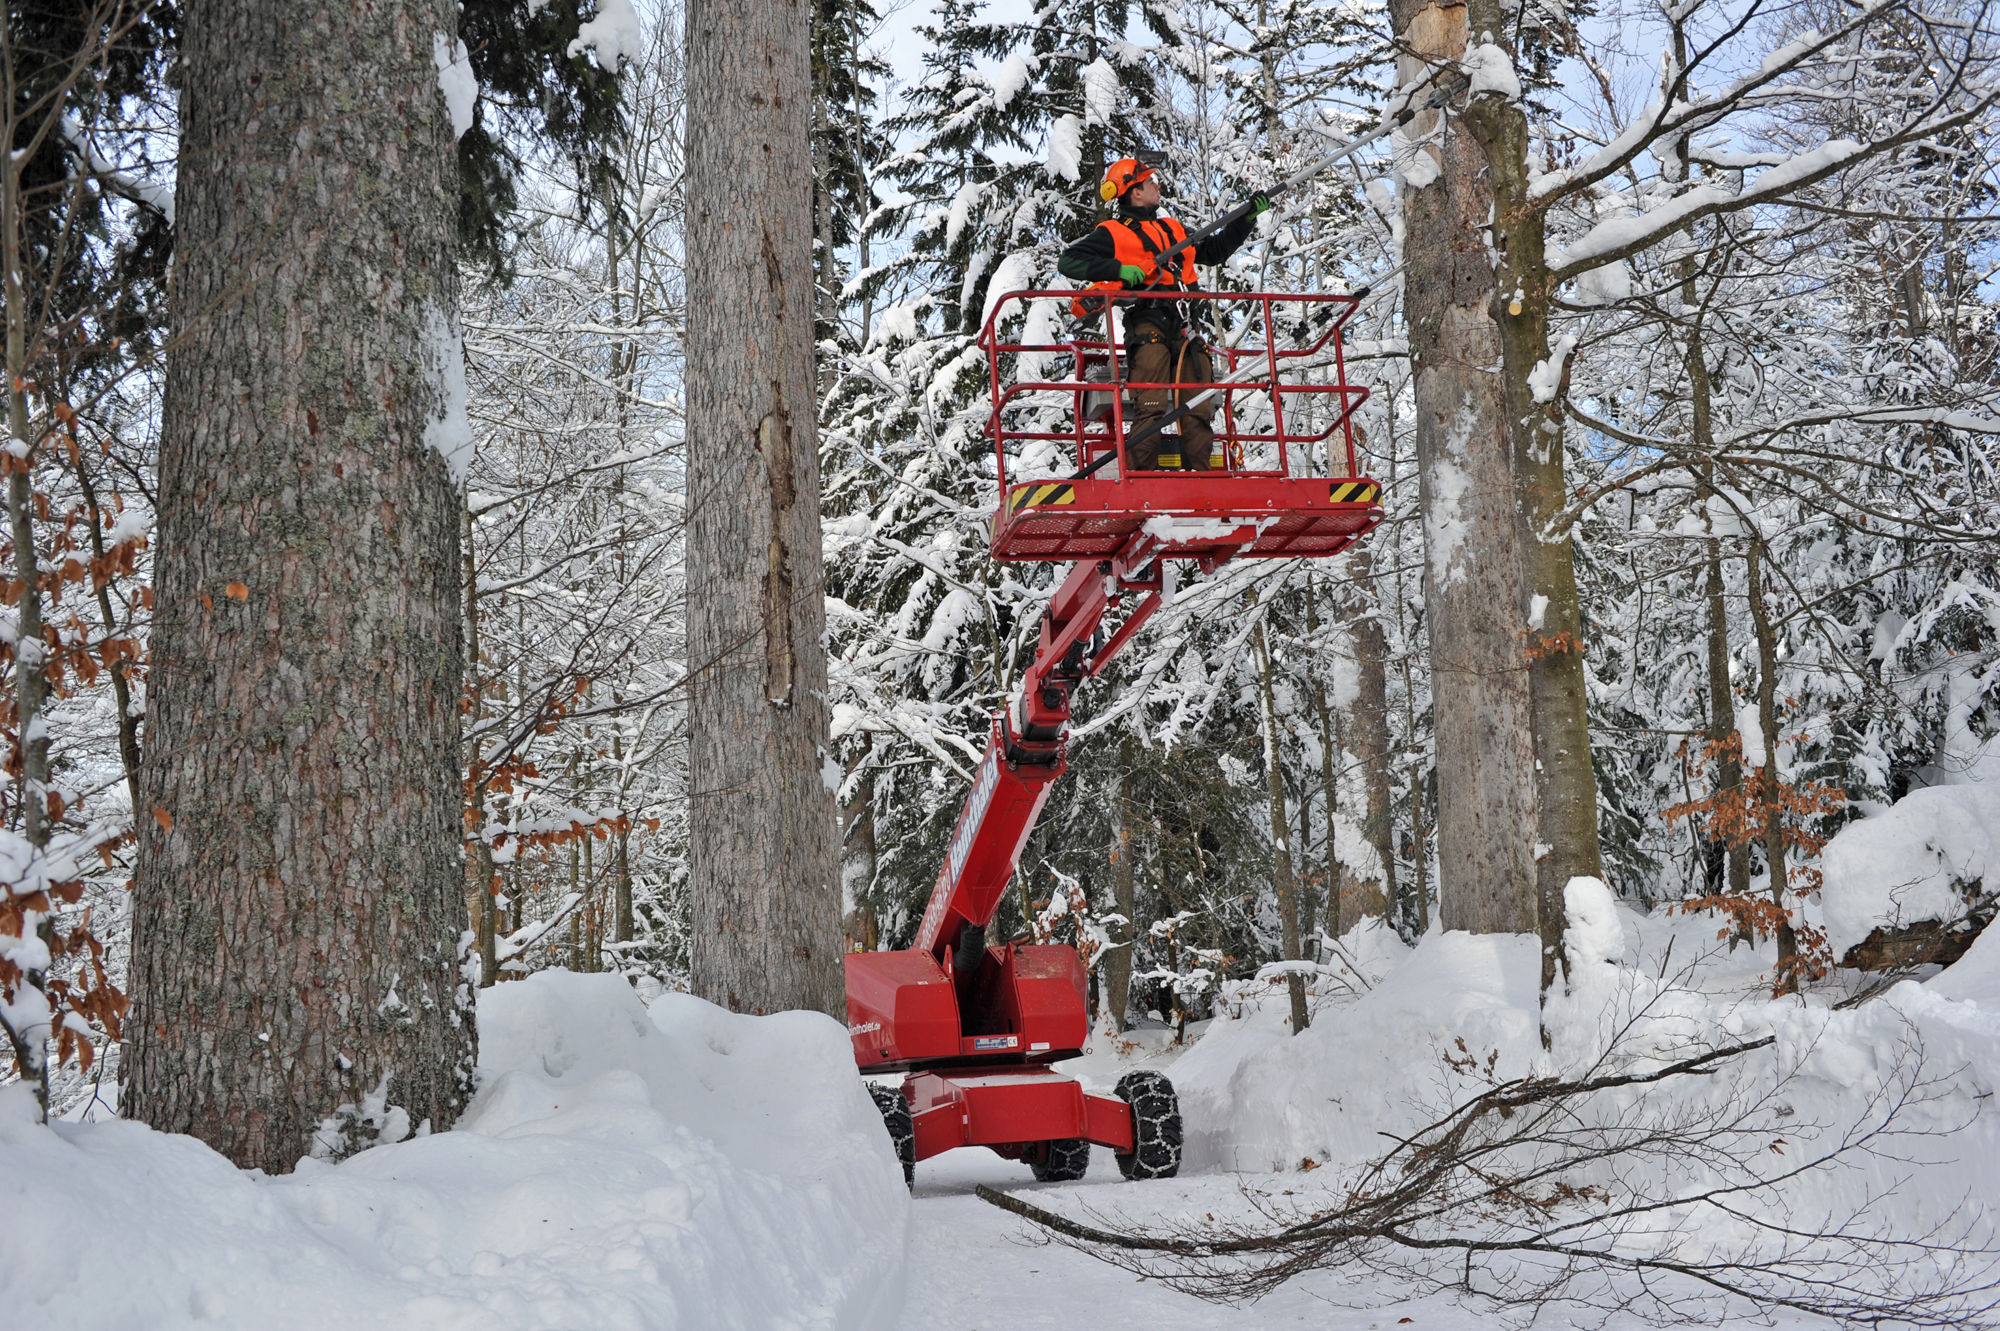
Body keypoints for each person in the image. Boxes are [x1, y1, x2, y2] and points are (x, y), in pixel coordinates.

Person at [1057, 157, 1268, 471]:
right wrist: (1118, 269)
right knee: (1151, 406)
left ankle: (1205, 483)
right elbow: (1069, 261)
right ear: (1135, 193)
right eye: (1149, 182)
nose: (1157, 185)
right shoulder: (1112, 233)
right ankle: (1142, 480)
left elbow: (1214, 251)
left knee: (1197, 409)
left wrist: (1245, 220)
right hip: (1148, 324)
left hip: (1187, 330)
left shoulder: (1173, 228)